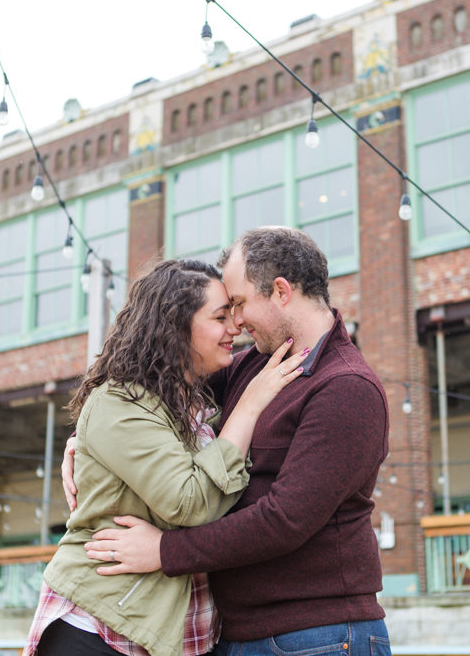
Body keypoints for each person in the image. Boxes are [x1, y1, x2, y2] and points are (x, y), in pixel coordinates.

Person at [65, 228, 392, 656]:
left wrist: (165, 551)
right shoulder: (253, 364)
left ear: (280, 292)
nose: (235, 324)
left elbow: (284, 520)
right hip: (237, 634)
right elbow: (157, 393)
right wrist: (84, 440)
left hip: (320, 634)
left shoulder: (346, 387)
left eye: (238, 304)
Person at [26, 259, 308, 656]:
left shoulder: (196, 405)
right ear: (176, 326)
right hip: (102, 626)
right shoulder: (120, 401)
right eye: (220, 316)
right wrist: (250, 407)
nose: (235, 327)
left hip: (171, 633)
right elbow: (187, 502)